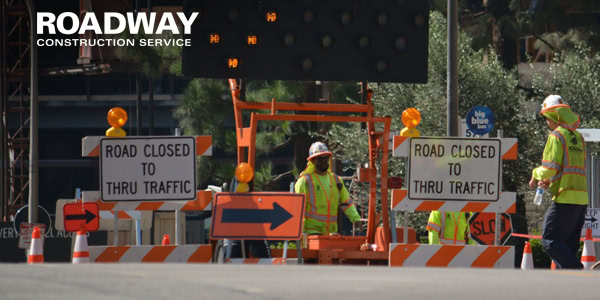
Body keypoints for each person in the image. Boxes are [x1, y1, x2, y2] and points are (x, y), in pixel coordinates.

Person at [529, 95, 588, 269]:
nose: (546, 121)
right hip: (581, 199)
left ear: (554, 116)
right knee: (568, 246)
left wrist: (536, 174)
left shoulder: (556, 136)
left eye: (546, 118)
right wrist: (551, 182)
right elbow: (568, 168)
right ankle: (572, 289)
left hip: (564, 198)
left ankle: (578, 271)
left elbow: (550, 167)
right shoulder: (578, 138)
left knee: (550, 239)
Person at [295, 142, 361, 235]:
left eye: (326, 158)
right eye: (320, 158)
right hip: (311, 232)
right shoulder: (305, 181)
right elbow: (298, 209)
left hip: (331, 233)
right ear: (312, 161)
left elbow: (346, 202)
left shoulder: (336, 180)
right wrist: (299, 233)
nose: (323, 161)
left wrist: (356, 218)